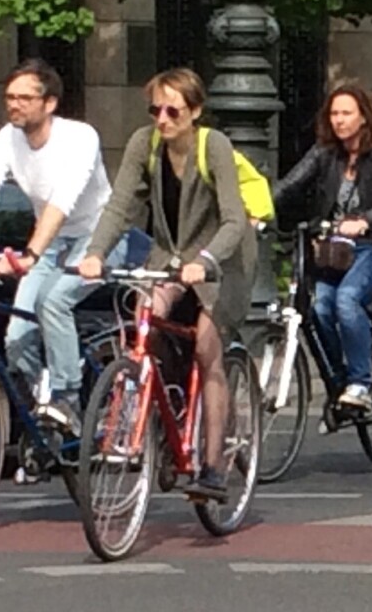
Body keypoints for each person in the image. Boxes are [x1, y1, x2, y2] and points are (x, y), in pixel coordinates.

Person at [79, 68, 253, 502]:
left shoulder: (213, 146)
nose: (162, 118)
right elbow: (121, 205)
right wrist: (96, 253)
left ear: (195, 111)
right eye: (155, 109)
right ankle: (147, 417)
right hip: (170, 257)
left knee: (207, 348)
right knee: (143, 322)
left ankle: (213, 466)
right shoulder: (145, 143)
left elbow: (234, 218)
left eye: (173, 110)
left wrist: (207, 260)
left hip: (222, 260)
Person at [0, 59, 122, 434]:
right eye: (9, 97)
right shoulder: (7, 138)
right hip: (52, 243)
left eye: (24, 98)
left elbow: (61, 203)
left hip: (99, 236)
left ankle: (68, 395)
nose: (14, 105)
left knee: (54, 301)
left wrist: (30, 254)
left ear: (49, 104)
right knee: (16, 339)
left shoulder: (81, 137)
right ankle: (48, 412)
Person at [272, 84, 372, 411]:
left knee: (347, 300)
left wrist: (365, 222)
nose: (339, 120)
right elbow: (290, 184)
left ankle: (360, 383)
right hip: (336, 252)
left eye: (347, 113)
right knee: (319, 309)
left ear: (364, 117)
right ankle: (340, 379)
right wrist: (257, 209)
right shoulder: (324, 153)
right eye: (334, 113)